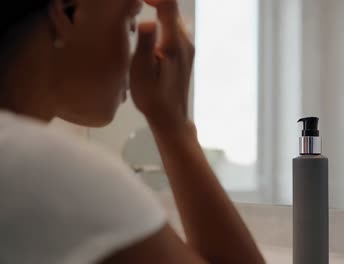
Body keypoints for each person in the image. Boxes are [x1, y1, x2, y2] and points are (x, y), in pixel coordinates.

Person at [0, 0, 265, 263]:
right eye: (130, 23)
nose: (135, 55)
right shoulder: (48, 170)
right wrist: (174, 127)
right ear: (67, 13)